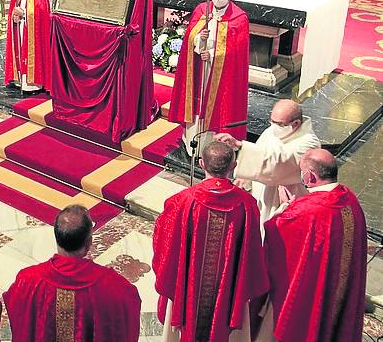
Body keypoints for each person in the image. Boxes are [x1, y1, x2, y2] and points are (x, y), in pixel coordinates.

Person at [152, 141, 267, 342]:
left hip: (187, 288)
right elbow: (253, 253)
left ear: (201, 163)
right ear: (233, 166)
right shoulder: (247, 206)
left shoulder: (181, 202)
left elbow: (163, 244)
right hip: (228, 291)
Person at [258, 148, 367, 342]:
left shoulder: (309, 210)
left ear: (309, 176)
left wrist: (285, 208)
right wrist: (296, 207)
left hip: (315, 290)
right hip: (337, 284)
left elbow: (275, 231)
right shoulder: (349, 198)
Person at [4, 205, 141, 342]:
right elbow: (129, 310)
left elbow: (16, 312)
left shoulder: (27, 280)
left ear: (57, 238)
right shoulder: (115, 288)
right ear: (89, 243)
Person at [169, 0, 249, 156]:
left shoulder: (239, 18)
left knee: (215, 109)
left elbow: (236, 54)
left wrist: (213, 55)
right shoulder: (201, 9)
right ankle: (192, 145)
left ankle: (214, 149)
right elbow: (190, 39)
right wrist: (199, 38)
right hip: (200, 73)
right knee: (198, 106)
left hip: (220, 77)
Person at [215, 99, 320, 232]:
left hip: (283, 200)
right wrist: (247, 179)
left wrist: (240, 145)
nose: (273, 126)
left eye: (279, 123)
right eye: (272, 121)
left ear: (296, 123)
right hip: (261, 193)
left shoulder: (309, 142)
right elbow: (260, 153)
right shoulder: (273, 130)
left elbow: (278, 161)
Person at [4, 0, 51, 92]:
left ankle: (33, 84)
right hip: (20, 27)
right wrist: (15, 15)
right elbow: (13, 8)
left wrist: (24, 13)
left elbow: (42, 14)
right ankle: (19, 80)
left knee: (31, 53)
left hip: (33, 33)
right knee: (20, 50)